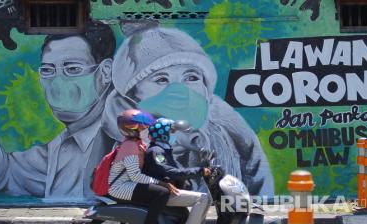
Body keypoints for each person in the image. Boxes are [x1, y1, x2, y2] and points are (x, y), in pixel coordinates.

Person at [101, 24, 274, 196]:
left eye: (191, 77)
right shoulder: (136, 144)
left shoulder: (233, 137)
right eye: (161, 79)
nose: (180, 91)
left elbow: (259, 183)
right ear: (132, 96)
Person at [0, 21, 117, 201]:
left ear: (105, 72)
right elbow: (5, 175)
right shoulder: (60, 146)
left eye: (72, 69)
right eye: (48, 71)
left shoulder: (122, 139)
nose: (57, 84)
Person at [143, 118, 212, 224]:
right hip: (161, 193)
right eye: (171, 132)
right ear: (163, 135)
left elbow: (175, 171)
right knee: (203, 198)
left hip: (168, 191)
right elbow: (169, 171)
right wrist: (199, 170)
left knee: (203, 200)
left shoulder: (163, 151)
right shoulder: (156, 152)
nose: (173, 136)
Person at [108, 109, 172, 224]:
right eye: (143, 127)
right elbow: (135, 175)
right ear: (132, 129)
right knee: (162, 193)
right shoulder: (130, 146)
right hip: (121, 187)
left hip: (128, 184)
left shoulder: (137, 145)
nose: (147, 129)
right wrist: (161, 183)